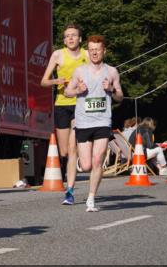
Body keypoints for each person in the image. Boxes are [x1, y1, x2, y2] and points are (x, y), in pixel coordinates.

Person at [63, 35, 124, 212]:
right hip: (83, 122)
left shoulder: (112, 72)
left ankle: (91, 198)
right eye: (91, 50)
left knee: (98, 160)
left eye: (97, 49)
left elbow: (120, 96)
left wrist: (110, 89)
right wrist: (77, 90)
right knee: (86, 165)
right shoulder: (80, 71)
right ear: (88, 51)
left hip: (103, 121)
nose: (94, 53)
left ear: (104, 51)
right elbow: (67, 92)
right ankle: (80, 166)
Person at [41, 24, 87, 206]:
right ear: (64, 40)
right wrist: (56, 81)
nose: (70, 38)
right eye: (67, 36)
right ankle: (78, 158)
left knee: (72, 147)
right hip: (61, 104)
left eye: (74, 35)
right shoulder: (58, 55)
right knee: (65, 151)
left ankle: (70, 190)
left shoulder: (86, 55)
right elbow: (43, 81)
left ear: (80, 39)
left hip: (80, 104)